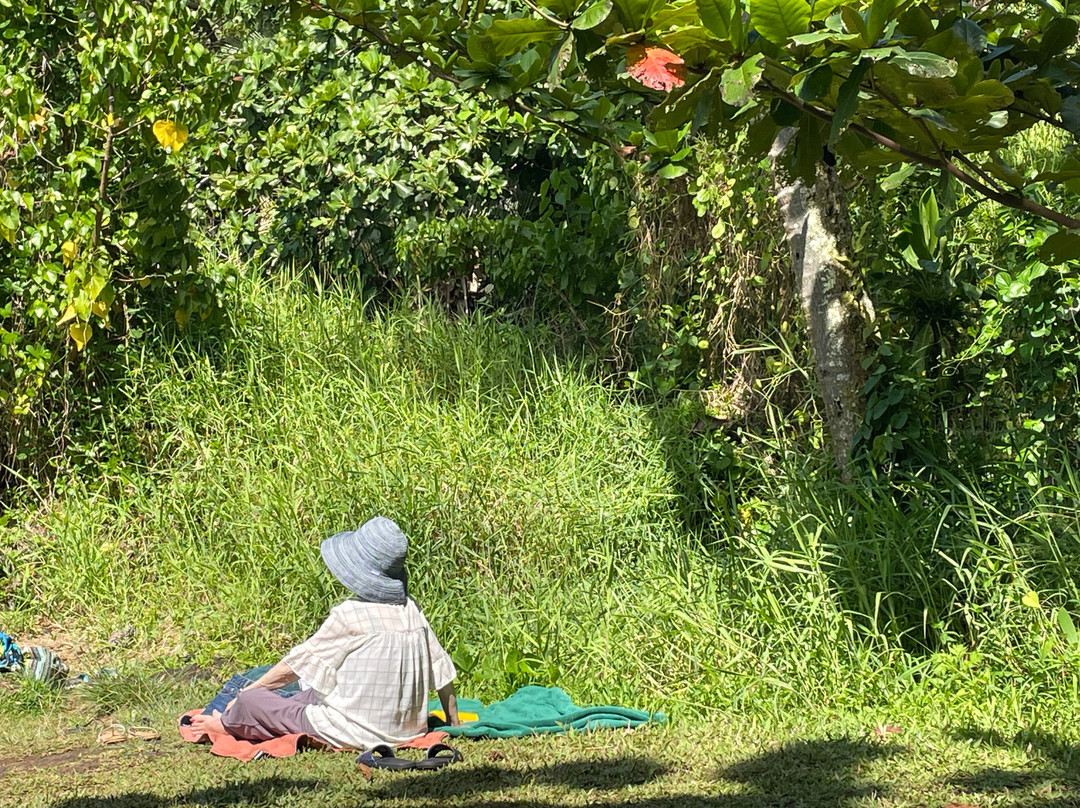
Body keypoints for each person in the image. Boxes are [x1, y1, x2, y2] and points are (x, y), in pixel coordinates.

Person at [189, 516, 460, 748]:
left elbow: (294, 667)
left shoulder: (349, 614)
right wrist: (453, 722)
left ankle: (226, 725)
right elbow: (442, 672)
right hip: (406, 732)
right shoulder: (412, 610)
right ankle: (238, 716)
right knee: (306, 693)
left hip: (350, 732)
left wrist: (239, 700)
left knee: (252, 699)